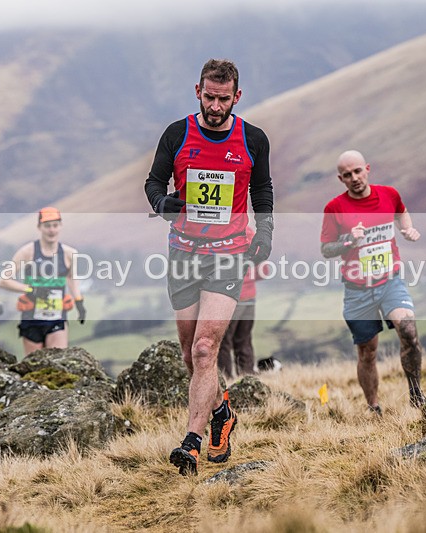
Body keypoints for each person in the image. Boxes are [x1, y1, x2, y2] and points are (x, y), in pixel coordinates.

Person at [145, 59, 274, 475]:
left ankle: (191, 442)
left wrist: (265, 230)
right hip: (183, 252)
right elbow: (153, 183)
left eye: (224, 99)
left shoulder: (252, 139)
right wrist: (161, 203)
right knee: (189, 353)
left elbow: (263, 189)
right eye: (209, 97)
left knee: (206, 348)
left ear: (237, 97)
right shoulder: (177, 133)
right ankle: (222, 412)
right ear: (196, 91)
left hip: (228, 254)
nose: (215, 106)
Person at [320, 150, 426, 415]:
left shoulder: (389, 194)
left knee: (409, 330)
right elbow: (326, 249)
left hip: (390, 280)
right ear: (340, 178)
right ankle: (373, 407)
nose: (354, 178)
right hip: (357, 289)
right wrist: (348, 240)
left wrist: (407, 229)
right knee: (367, 352)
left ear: (367, 169)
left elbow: (402, 212)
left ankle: (416, 394)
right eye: (347, 175)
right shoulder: (335, 208)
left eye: (357, 171)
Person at [0, 207, 86, 356]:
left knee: (57, 362)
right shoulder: (27, 252)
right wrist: (31, 290)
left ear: (60, 226)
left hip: (57, 317)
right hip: (32, 317)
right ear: (39, 227)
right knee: (35, 366)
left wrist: (79, 301)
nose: (51, 230)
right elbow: (3, 280)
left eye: (55, 225)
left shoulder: (70, 253)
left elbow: (71, 277)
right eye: (47, 226)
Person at [217, 226, 266, 380]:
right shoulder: (251, 234)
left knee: (223, 342)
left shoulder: (222, 234)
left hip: (231, 297)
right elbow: (264, 271)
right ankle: (248, 381)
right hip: (250, 298)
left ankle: (225, 380)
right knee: (244, 340)